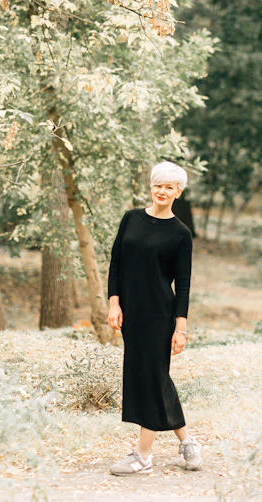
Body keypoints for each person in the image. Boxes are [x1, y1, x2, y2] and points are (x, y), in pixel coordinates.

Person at [106, 161, 202, 476]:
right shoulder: (131, 218)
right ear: (152, 187)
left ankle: (143, 456)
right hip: (131, 314)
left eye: (169, 187)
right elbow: (116, 263)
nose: (162, 191)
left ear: (179, 192)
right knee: (155, 377)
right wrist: (114, 304)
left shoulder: (180, 234)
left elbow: (183, 285)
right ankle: (187, 441)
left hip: (159, 316)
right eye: (158, 185)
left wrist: (181, 328)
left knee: (151, 378)